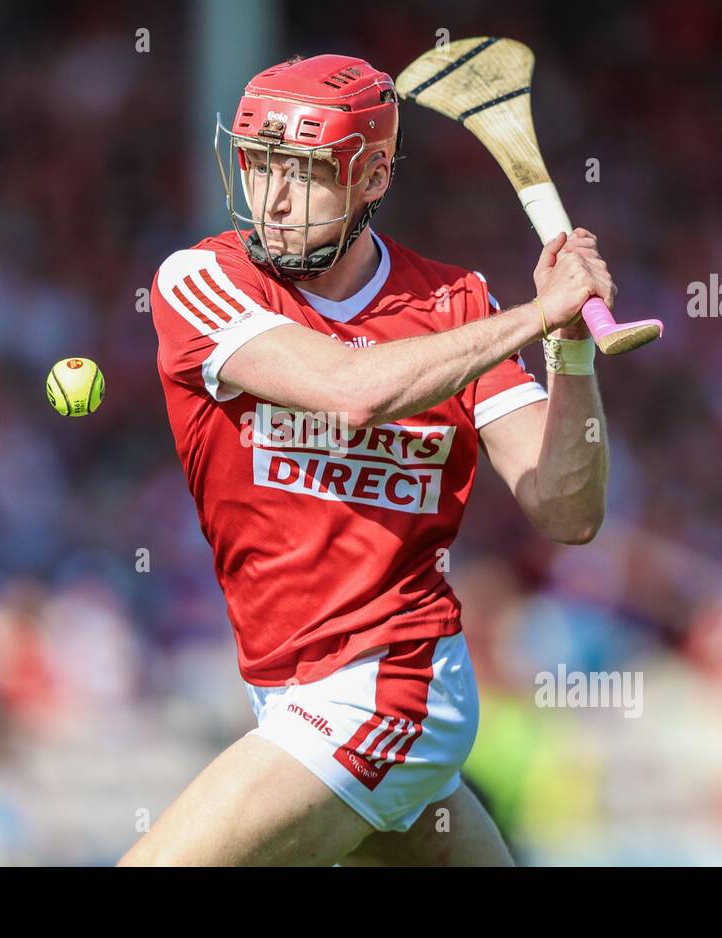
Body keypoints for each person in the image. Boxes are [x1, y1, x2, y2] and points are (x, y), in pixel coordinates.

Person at [121, 52, 614, 866]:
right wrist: (534, 314)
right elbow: (349, 389)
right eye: (259, 164)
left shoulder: (458, 308)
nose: (273, 199)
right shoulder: (204, 280)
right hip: (285, 690)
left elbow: (569, 509)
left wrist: (569, 349)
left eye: (306, 171)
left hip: (391, 682)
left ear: (372, 175)